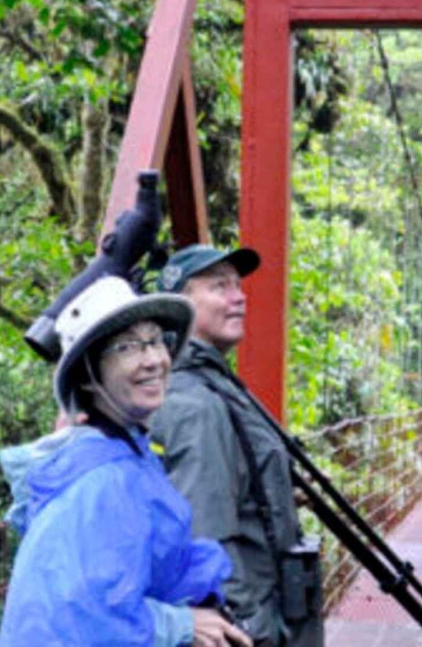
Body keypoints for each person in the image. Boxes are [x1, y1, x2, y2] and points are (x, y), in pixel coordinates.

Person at [0, 275, 253, 647]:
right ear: (88, 376)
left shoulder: (129, 453)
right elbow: (81, 617)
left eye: (155, 341)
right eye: (128, 347)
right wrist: (181, 625)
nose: (153, 361)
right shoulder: (99, 480)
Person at [149, 246, 325, 647]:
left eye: (238, 285)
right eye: (219, 286)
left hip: (264, 609)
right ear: (180, 307)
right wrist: (251, 629)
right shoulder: (195, 403)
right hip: (252, 624)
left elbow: (228, 482)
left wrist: (280, 489)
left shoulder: (216, 383)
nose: (239, 296)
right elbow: (205, 537)